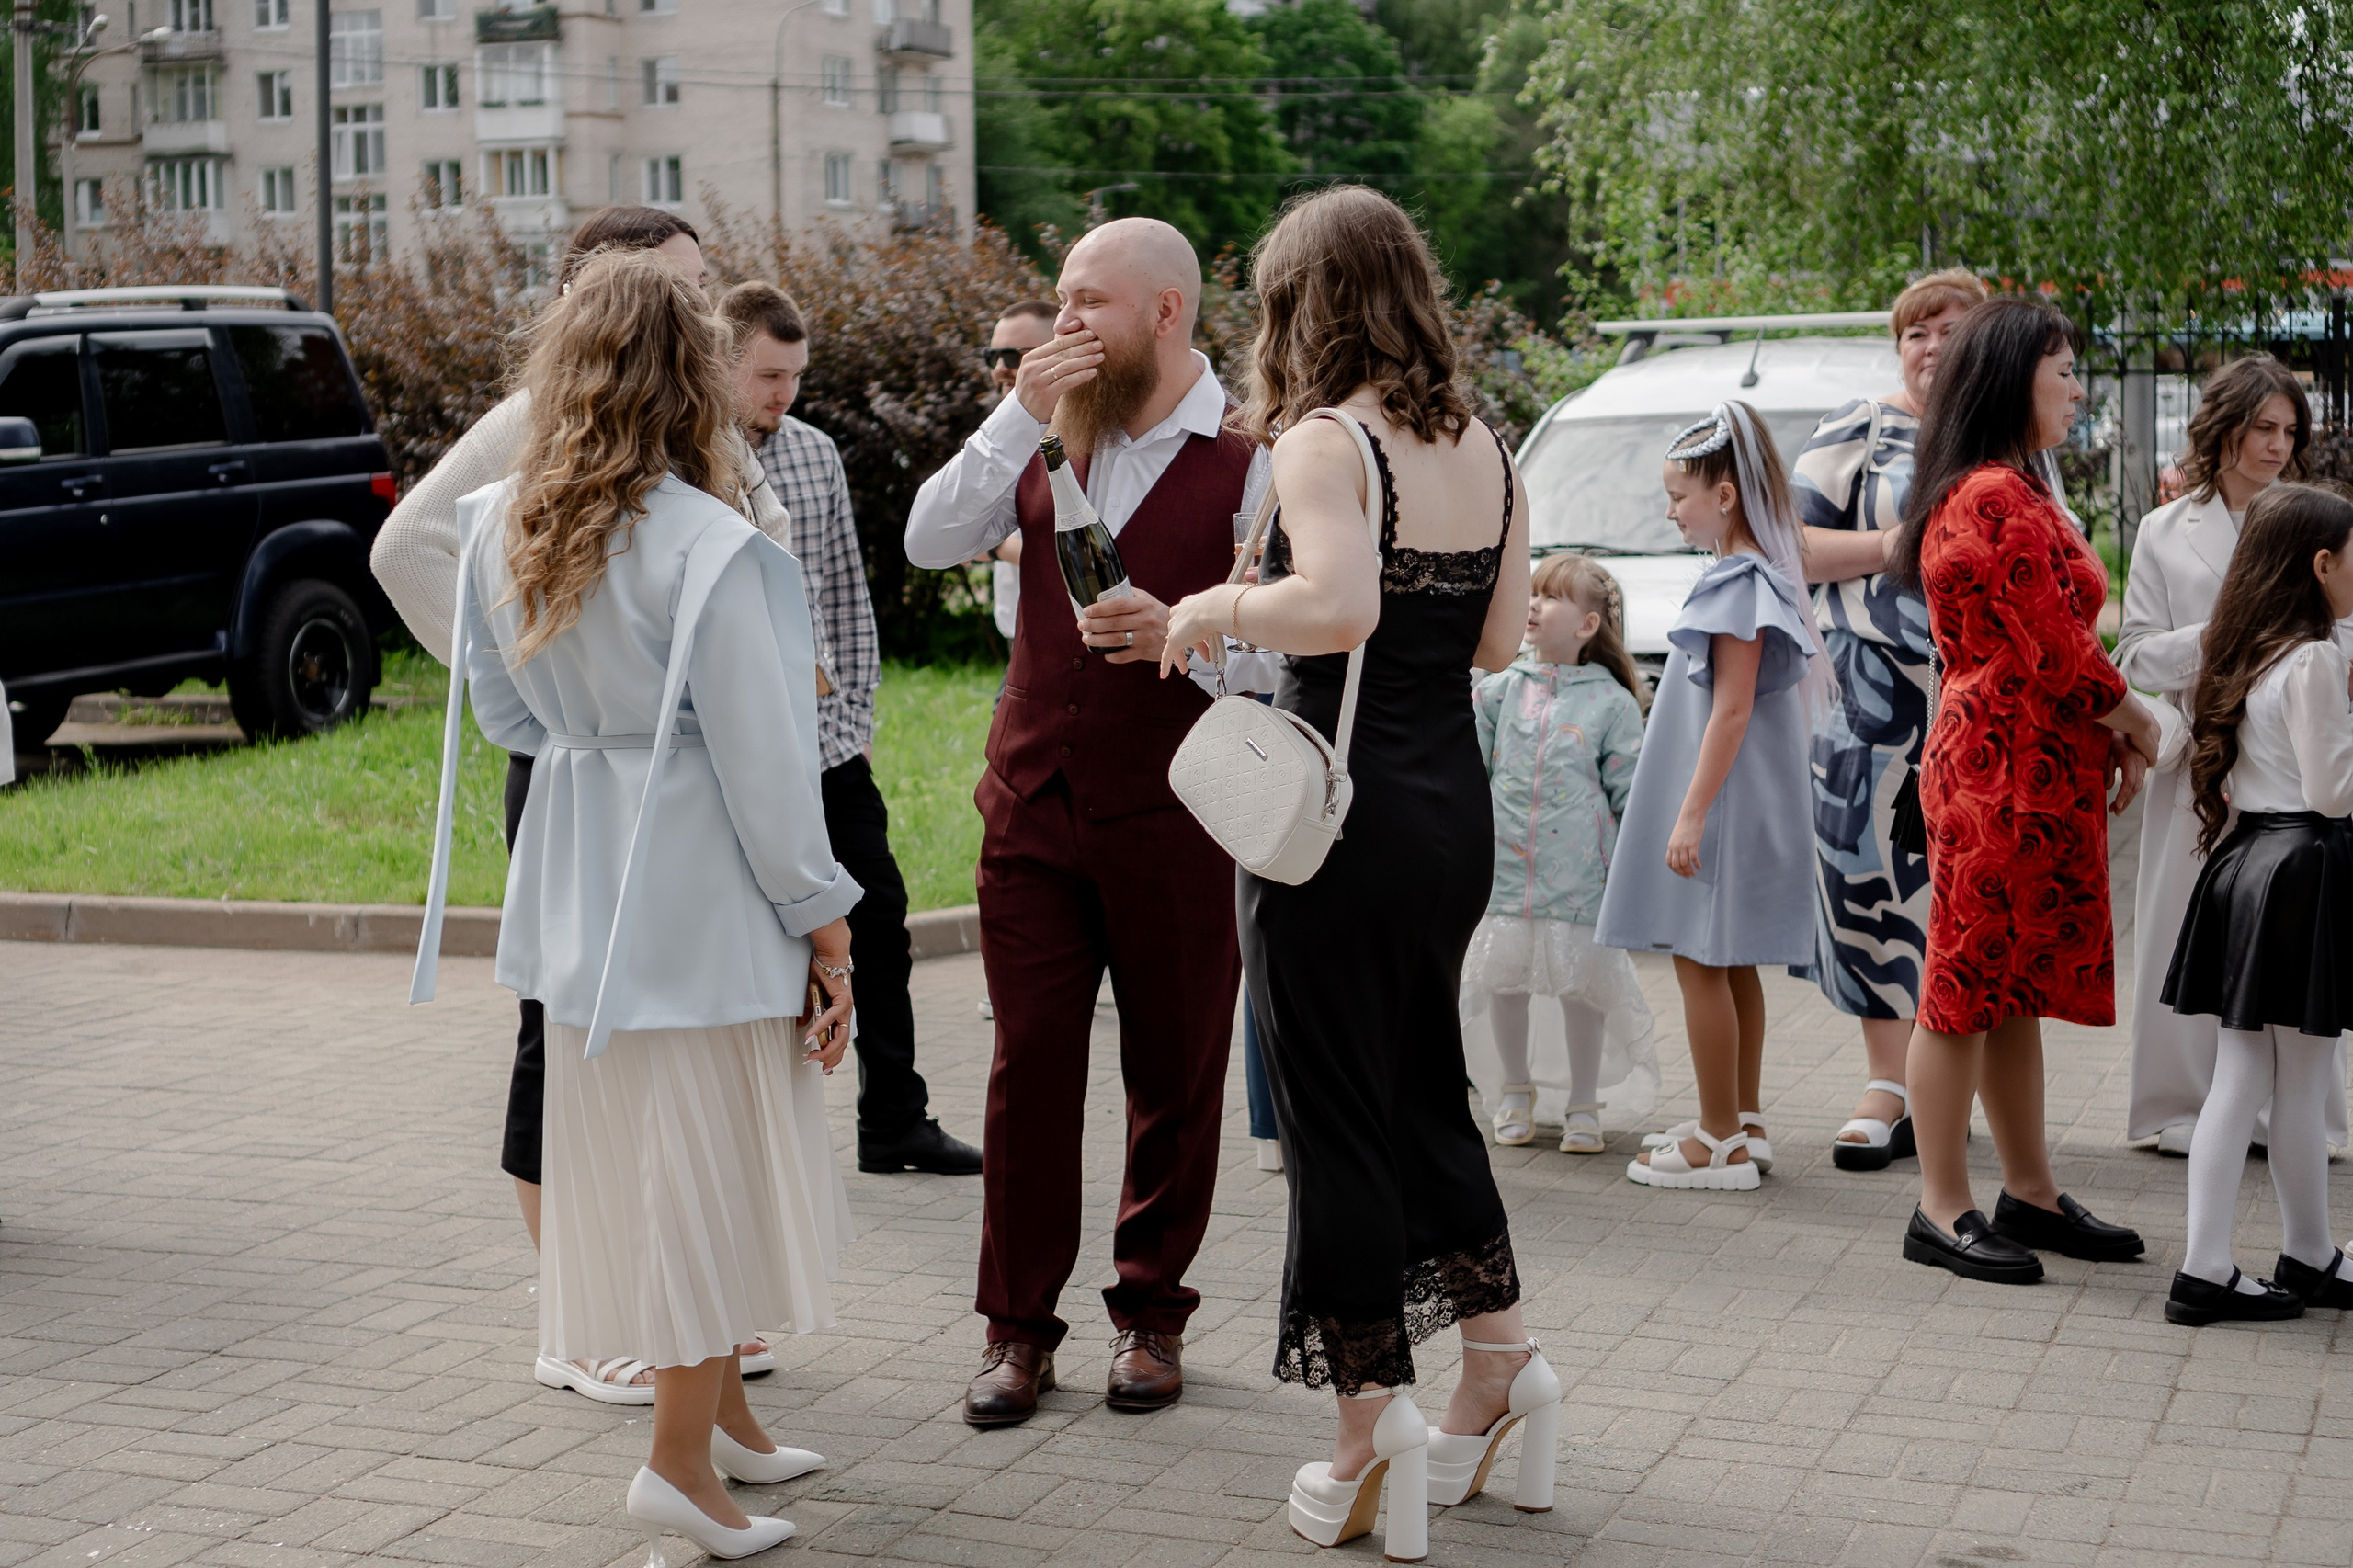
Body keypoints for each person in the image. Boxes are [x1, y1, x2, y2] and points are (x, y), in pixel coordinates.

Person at [414, 250, 857, 1559]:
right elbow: (773, 773)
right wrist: (827, 923)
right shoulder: (716, 546)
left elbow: (498, 708)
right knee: (703, 1165)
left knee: (654, 1153)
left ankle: (723, 1423)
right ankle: (675, 1463)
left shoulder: (500, 518)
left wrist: (590, 742)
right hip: (703, 887)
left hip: (580, 857)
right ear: (694, 379)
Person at [1164, 186, 1554, 1562]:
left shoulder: (1327, 441)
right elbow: (1499, 640)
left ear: (1305, 305)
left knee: (1334, 1116)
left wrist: (1212, 603)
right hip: (1448, 805)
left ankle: (1365, 1424)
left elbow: (1339, 605)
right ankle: (1499, 1361)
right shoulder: (1488, 445)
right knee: (1412, 1085)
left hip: (1335, 824)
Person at [369, 206, 791, 1403]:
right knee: (567, 1039)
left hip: (688, 778)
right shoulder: (534, 418)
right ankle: (577, 1317)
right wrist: (530, 688)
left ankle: (678, 1317)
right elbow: (409, 548)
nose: (704, 309)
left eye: (706, 285)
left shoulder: (692, 414)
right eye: (682, 286)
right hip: (585, 769)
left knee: (675, 1047)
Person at [904, 217, 1270, 1427]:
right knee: (1028, 1068)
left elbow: (1288, 658)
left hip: (1177, 812)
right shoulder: (1046, 434)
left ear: (1164, 313)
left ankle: (1152, 1314)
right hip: (1033, 804)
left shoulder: (1248, 457)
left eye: (1086, 302)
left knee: (1174, 1069)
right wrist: (1017, 407)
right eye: (1057, 300)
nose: (1065, 323)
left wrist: (1189, 626)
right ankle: (1017, 1329)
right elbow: (926, 539)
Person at [1886, 296, 2159, 1285]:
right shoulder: (1989, 494)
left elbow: (2057, 647)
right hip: (1994, 778)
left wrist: (2107, 731)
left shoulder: (2010, 486)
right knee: (1960, 989)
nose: (2078, 389)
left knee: (2009, 994)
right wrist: (2135, 719)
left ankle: (2029, 1191)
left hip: (2029, 771)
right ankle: (1941, 1204)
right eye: (2064, 372)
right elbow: (2055, 646)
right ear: (2014, 379)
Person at [721, 280, 983, 1177]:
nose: (782, 393)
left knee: (882, 916)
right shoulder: (688, 461)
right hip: (734, 751)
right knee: (756, 939)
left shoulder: (814, 453)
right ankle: (758, 1143)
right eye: (765, 375)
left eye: (793, 375)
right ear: (722, 363)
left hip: (828, 744)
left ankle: (893, 1119)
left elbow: (843, 591)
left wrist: (856, 718)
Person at [2116, 357, 2347, 1157]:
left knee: (2292, 935)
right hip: (2201, 766)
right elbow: (2135, 655)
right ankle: (2180, 1106)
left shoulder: (2319, 520)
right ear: (2225, 429)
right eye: (2264, 429)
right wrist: (2219, 637)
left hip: (2293, 756)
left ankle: (2297, 1114)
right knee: (2184, 930)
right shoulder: (2162, 531)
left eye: (2291, 431)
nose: (2279, 445)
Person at [1594, 402, 1824, 1192]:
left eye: (1679, 496)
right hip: (1743, 795)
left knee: (1698, 961)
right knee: (1729, 963)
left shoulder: (1736, 584)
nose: (1669, 511)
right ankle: (1744, 1119)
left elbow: (1729, 708)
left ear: (1724, 496)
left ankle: (1718, 1139)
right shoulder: (1764, 574)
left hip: (1720, 800)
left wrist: (1689, 811)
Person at [1792, 268, 1987, 1171]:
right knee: (1866, 878)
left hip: (1979, 700)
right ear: (1897, 343)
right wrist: (1893, 546)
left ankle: (1953, 1078)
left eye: (1954, 328)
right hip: (1869, 697)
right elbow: (1786, 545)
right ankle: (1887, 1084)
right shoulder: (1854, 429)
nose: (1934, 344)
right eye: (1918, 330)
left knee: (1965, 886)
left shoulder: (2005, 434)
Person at [2158, 483, 2353, 1325]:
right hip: (2303, 862)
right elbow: (2334, 791)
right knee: (2299, 1079)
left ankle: (2260, 1258)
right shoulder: (2311, 660)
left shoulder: (2248, 649)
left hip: (2247, 861)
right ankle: (2272, 1258)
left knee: (2247, 1075)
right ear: (2321, 565)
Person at [1460, 553, 1656, 1154]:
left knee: (1582, 990)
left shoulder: (1612, 704)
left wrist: (1630, 872)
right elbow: (1474, 767)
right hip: (1506, 871)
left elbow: (1629, 793)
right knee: (1506, 982)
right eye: (1532, 594)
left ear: (1588, 625)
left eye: (1549, 597)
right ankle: (1513, 1091)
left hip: (1579, 878)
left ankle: (1582, 1102)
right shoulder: (1501, 690)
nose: (1533, 605)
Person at [982, 301, 1059, 653]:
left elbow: (1067, 552)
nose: (1000, 368)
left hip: (1061, 634)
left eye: (1014, 357)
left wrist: (994, 546)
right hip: (1022, 632)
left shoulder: (1068, 437)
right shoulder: (1005, 434)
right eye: (992, 357)